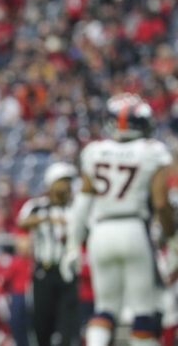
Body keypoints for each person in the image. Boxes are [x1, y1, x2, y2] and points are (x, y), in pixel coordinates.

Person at [62, 93, 176, 346]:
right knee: (143, 310)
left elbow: (83, 202)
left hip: (101, 232)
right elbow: (160, 203)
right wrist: (172, 236)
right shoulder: (152, 151)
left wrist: (72, 243)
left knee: (105, 308)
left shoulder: (95, 150)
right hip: (134, 228)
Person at [17, 161, 79, 346]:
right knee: (42, 326)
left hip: (68, 274)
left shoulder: (74, 209)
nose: (66, 185)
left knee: (67, 329)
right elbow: (22, 222)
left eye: (68, 181)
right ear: (51, 182)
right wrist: (49, 218)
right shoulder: (37, 206)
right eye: (63, 180)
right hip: (43, 272)